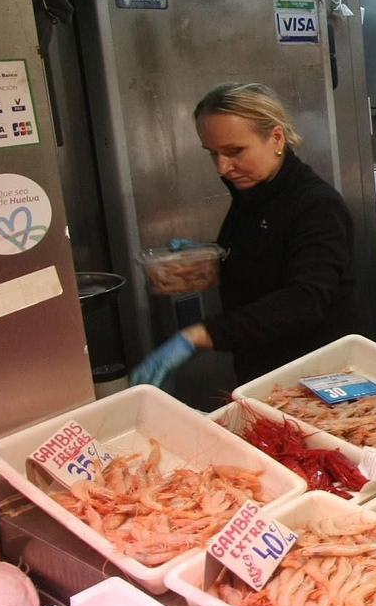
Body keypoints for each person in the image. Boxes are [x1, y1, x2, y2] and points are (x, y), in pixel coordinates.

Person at [131, 82, 361, 388]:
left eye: (234, 151)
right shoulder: (252, 192)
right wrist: (215, 257)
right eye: (212, 154)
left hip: (316, 375)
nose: (222, 168)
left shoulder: (316, 204)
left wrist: (200, 334)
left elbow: (305, 301)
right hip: (263, 367)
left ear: (276, 138)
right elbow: (271, 251)